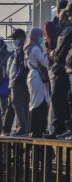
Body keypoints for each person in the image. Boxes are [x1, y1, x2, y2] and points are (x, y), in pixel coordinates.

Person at [46, 10, 72, 138]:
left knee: (60, 98)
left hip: (62, 67)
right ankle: (61, 128)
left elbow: (62, 49)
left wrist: (55, 58)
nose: (59, 23)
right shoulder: (65, 31)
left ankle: (60, 128)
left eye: (60, 19)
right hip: (64, 67)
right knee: (63, 98)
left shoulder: (68, 31)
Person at [24, 27, 51, 138]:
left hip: (32, 76)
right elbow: (45, 63)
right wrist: (50, 55)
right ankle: (38, 129)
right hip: (37, 77)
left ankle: (33, 129)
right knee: (39, 102)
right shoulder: (35, 49)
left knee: (34, 102)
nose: (41, 38)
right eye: (40, 36)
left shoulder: (27, 49)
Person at [2, 29, 29, 136]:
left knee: (17, 103)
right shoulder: (21, 49)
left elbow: (21, 67)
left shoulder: (22, 49)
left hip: (19, 81)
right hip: (21, 81)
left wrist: (16, 78)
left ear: (21, 37)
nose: (14, 41)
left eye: (15, 38)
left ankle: (22, 128)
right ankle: (22, 128)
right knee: (22, 104)